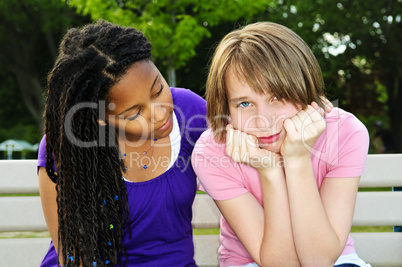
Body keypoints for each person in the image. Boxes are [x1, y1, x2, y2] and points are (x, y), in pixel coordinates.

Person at [191, 22, 370, 267]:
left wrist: (298, 160)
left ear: (306, 90)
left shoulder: (345, 133)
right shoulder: (212, 152)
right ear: (226, 109)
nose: (263, 120)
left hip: (336, 260)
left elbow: (319, 261)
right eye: (244, 103)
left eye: (278, 97)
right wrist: (269, 170)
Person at [37, 20, 206, 266]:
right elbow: (74, 258)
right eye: (134, 113)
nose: (160, 114)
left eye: (158, 90)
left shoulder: (190, 112)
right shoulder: (66, 147)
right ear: (101, 117)